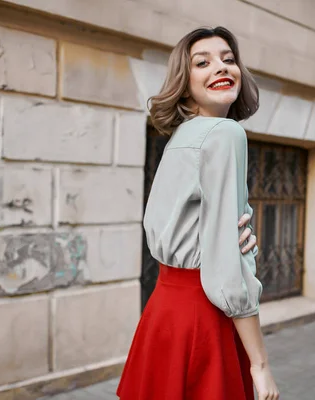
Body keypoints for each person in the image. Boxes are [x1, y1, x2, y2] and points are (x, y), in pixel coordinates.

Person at [116, 26, 279, 400]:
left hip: (163, 312)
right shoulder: (224, 133)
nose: (221, 68)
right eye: (202, 63)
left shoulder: (182, 137)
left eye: (229, 59)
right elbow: (225, 272)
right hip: (203, 316)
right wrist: (260, 365)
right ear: (185, 83)